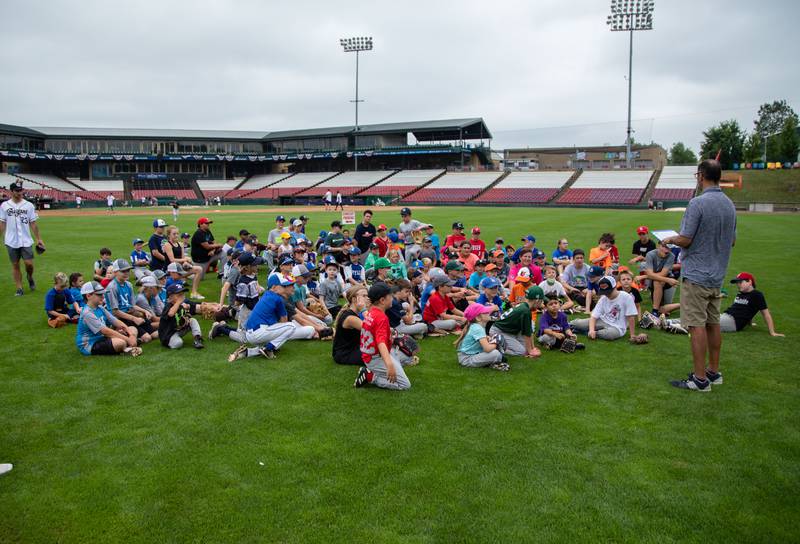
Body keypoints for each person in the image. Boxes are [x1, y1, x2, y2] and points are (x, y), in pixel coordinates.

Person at [661, 160, 737, 392]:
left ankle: (700, 379)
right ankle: (713, 372)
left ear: (701, 175)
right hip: (717, 274)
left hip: (696, 274)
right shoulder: (729, 204)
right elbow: (732, 241)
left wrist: (669, 239)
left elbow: (686, 239)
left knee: (696, 326)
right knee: (713, 323)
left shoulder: (697, 203)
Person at [224, 274, 298, 362]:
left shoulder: (268, 295)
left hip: (252, 333)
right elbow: (284, 321)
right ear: (274, 287)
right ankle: (268, 348)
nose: (287, 287)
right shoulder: (277, 298)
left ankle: (248, 352)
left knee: (277, 338)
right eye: (283, 286)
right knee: (291, 326)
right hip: (259, 332)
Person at [353, 283, 411, 391]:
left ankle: (388, 368)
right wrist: (389, 365)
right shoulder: (381, 317)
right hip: (375, 358)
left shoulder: (372, 312)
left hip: (370, 354)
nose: (392, 299)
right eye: (390, 297)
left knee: (409, 355)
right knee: (405, 385)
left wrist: (389, 332)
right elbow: (381, 343)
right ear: (382, 300)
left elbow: (374, 329)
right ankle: (370, 376)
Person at [0, 181, 45, 296]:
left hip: (25, 240)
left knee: (29, 264)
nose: (20, 193)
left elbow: (33, 223)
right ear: (11, 191)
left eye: (21, 190)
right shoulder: (5, 206)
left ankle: (29, 277)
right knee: (15, 265)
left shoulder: (28, 205)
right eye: (17, 191)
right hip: (10, 240)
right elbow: (2, 223)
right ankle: (19, 288)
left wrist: (39, 239)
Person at [75, 281, 142, 357]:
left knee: (132, 329)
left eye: (102, 294)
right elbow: (105, 331)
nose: (103, 297)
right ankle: (128, 347)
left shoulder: (100, 307)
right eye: (99, 294)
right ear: (88, 296)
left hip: (103, 338)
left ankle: (129, 347)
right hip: (90, 344)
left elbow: (115, 321)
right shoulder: (87, 313)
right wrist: (128, 339)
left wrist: (130, 334)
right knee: (120, 343)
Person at [570, 276, 643, 342]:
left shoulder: (626, 297)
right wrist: (591, 329)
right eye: (604, 292)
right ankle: (568, 326)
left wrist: (632, 335)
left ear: (615, 287)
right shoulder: (603, 298)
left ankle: (588, 332)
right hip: (603, 320)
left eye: (608, 292)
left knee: (610, 334)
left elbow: (631, 317)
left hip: (618, 327)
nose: (607, 294)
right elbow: (594, 316)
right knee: (578, 323)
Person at [104, 259, 157, 344]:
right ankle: (126, 335)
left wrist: (144, 311)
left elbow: (132, 305)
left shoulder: (129, 285)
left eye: (128, 270)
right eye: (123, 271)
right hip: (121, 318)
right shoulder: (112, 287)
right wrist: (134, 318)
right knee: (147, 338)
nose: (126, 273)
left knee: (155, 334)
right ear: (115, 272)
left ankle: (134, 336)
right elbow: (115, 312)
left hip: (130, 314)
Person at [489, 285, 544, 358]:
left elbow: (529, 331)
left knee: (526, 348)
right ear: (537, 300)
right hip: (499, 331)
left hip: (509, 331)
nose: (541, 304)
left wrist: (532, 348)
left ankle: (501, 343)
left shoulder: (525, 307)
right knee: (521, 352)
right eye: (541, 301)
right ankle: (495, 346)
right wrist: (530, 351)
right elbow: (527, 335)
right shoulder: (525, 311)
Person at [455, 303, 508, 371]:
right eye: (485, 312)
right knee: (496, 353)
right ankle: (494, 361)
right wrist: (496, 342)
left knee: (495, 351)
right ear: (478, 317)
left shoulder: (476, 326)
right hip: (467, 359)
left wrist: (488, 338)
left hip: (469, 355)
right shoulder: (478, 328)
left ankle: (492, 362)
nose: (488, 312)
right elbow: (487, 349)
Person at [637, 241, 677, 322]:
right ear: (659, 246)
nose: (667, 250)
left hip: (668, 281)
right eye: (664, 247)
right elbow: (651, 274)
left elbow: (663, 274)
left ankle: (655, 311)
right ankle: (655, 311)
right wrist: (668, 280)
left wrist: (644, 276)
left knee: (664, 310)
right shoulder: (650, 254)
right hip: (665, 280)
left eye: (669, 248)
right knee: (657, 281)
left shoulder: (671, 256)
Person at [161, 225, 205, 300]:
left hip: (179, 269)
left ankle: (194, 293)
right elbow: (172, 260)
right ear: (169, 235)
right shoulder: (167, 245)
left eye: (177, 233)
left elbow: (182, 259)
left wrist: (186, 262)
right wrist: (185, 259)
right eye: (174, 234)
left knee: (199, 269)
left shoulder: (180, 244)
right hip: (170, 271)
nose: (176, 235)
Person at [158, 283, 205, 349]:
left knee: (192, 321)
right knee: (178, 343)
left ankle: (197, 339)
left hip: (178, 330)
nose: (182, 296)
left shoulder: (181, 305)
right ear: (170, 297)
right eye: (179, 295)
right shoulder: (168, 306)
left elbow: (191, 310)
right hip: (168, 335)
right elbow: (171, 314)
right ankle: (171, 342)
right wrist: (178, 303)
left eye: (182, 294)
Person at [332, 286, 368, 365]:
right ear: (354, 299)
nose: (367, 298)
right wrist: (364, 309)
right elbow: (372, 328)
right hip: (345, 353)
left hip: (356, 347)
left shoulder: (354, 313)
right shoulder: (350, 318)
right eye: (364, 296)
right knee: (377, 355)